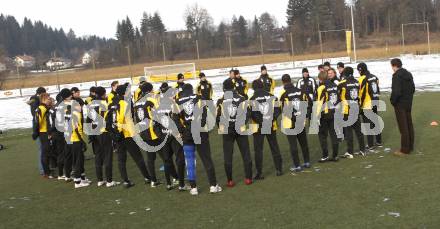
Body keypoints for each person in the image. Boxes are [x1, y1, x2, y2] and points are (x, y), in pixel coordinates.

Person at [175, 83, 222, 195]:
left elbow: (175, 120)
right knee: (206, 159)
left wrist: (182, 130)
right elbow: (205, 115)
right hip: (200, 133)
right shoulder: (199, 98)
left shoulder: (178, 102)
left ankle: (193, 188)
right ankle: (213, 185)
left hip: (187, 135)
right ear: (192, 90)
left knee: (190, 161)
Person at [106, 83, 152, 188]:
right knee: (138, 157)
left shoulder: (112, 103)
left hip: (118, 135)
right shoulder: (124, 103)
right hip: (127, 134)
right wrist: (118, 131)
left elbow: (107, 118)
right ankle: (147, 177)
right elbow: (120, 118)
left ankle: (126, 180)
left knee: (121, 159)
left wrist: (113, 132)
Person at [217, 80, 253, 187]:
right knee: (246, 153)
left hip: (227, 130)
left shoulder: (221, 100)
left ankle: (230, 181)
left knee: (228, 156)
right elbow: (248, 113)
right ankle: (248, 178)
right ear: (234, 87)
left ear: (224, 88)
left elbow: (217, 116)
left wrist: (221, 127)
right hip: (240, 129)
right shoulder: (242, 98)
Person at [250, 79, 283, 179]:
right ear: (263, 85)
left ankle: (259, 173)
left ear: (253, 88)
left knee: (258, 150)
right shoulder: (272, 96)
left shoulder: (252, 99)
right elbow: (278, 109)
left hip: (258, 127)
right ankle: (279, 169)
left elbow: (252, 114)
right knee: (274, 147)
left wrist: (262, 121)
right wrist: (270, 119)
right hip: (271, 125)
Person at [156, 83, 187, 191]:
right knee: (180, 159)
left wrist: (161, 135)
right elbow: (176, 120)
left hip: (164, 136)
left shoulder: (158, 106)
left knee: (166, 160)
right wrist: (180, 132)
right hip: (174, 136)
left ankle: (169, 184)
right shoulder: (173, 104)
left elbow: (155, 124)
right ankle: (181, 185)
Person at [133, 82, 164, 188]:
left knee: (150, 158)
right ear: (150, 90)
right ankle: (174, 179)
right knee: (166, 156)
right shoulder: (151, 99)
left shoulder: (136, 102)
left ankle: (153, 180)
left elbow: (135, 118)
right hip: (154, 132)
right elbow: (160, 113)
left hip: (143, 132)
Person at [280, 74, 311, 172]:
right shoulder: (301, 91)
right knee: (303, 143)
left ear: (283, 82)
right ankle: (307, 162)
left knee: (293, 145)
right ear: (291, 81)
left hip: (290, 123)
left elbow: (284, 109)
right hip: (300, 121)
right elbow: (309, 103)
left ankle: (297, 165)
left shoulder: (283, 94)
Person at [91, 86, 119, 187]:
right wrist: (113, 132)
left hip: (94, 132)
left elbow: (88, 120)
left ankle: (100, 180)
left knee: (98, 156)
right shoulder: (104, 103)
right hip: (104, 132)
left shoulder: (92, 103)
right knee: (108, 156)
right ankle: (109, 181)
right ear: (103, 93)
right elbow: (107, 120)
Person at [62, 90, 91, 188]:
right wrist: (82, 141)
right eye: (80, 105)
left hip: (69, 139)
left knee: (79, 159)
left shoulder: (68, 112)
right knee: (78, 160)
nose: (81, 107)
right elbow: (76, 128)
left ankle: (82, 178)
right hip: (75, 139)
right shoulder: (76, 113)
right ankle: (78, 182)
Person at [338, 67, 365, 158]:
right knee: (358, 130)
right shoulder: (357, 82)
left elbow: (338, 96)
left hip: (346, 109)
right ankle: (362, 149)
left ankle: (350, 151)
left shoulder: (342, 83)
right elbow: (360, 95)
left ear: (345, 73)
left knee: (348, 131)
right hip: (355, 108)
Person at [390, 58, 415, 156]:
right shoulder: (408, 74)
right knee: (409, 125)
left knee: (403, 127)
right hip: (408, 103)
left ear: (394, 65)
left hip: (400, 104)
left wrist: (393, 101)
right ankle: (410, 146)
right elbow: (413, 88)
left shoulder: (396, 76)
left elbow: (396, 91)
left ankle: (404, 149)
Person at [316, 70, 340, 162]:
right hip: (334, 112)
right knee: (333, 134)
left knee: (323, 135)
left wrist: (317, 116)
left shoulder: (321, 88)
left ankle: (325, 155)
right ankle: (335, 155)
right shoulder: (334, 85)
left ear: (320, 79)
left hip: (325, 114)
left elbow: (319, 103)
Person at [358, 62, 383, 150]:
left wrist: (360, 104)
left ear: (360, 70)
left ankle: (370, 144)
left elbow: (360, 93)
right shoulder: (374, 76)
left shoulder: (362, 78)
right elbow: (377, 87)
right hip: (375, 101)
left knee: (367, 124)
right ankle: (379, 141)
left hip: (367, 103)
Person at [32, 93, 53, 178]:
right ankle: (46, 173)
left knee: (46, 152)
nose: (49, 100)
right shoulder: (42, 108)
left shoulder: (43, 108)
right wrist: (36, 133)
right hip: (44, 133)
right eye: (48, 99)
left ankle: (47, 171)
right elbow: (38, 122)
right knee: (45, 153)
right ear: (44, 99)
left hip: (44, 132)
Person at [27, 86, 46, 175]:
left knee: (44, 147)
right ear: (41, 94)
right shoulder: (35, 99)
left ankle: (45, 167)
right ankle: (42, 170)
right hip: (38, 123)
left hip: (39, 122)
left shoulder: (34, 99)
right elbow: (35, 113)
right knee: (41, 148)